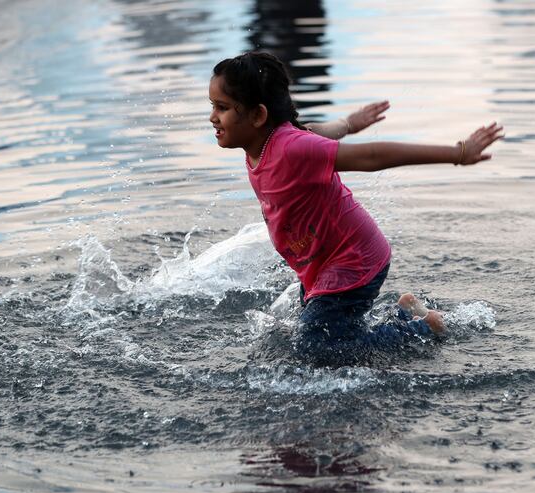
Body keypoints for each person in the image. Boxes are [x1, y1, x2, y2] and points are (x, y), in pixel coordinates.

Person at [209, 51, 503, 361]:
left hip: (352, 259)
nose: (213, 117)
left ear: (257, 115)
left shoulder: (292, 148)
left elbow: (372, 156)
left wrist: (458, 153)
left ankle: (425, 327)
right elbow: (316, 130)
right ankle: (407, 313)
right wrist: (349, 123)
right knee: (322, 335)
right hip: (320, 264)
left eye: (223, 108)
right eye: (213, 106)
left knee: (317, 348)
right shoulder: (266, 142)